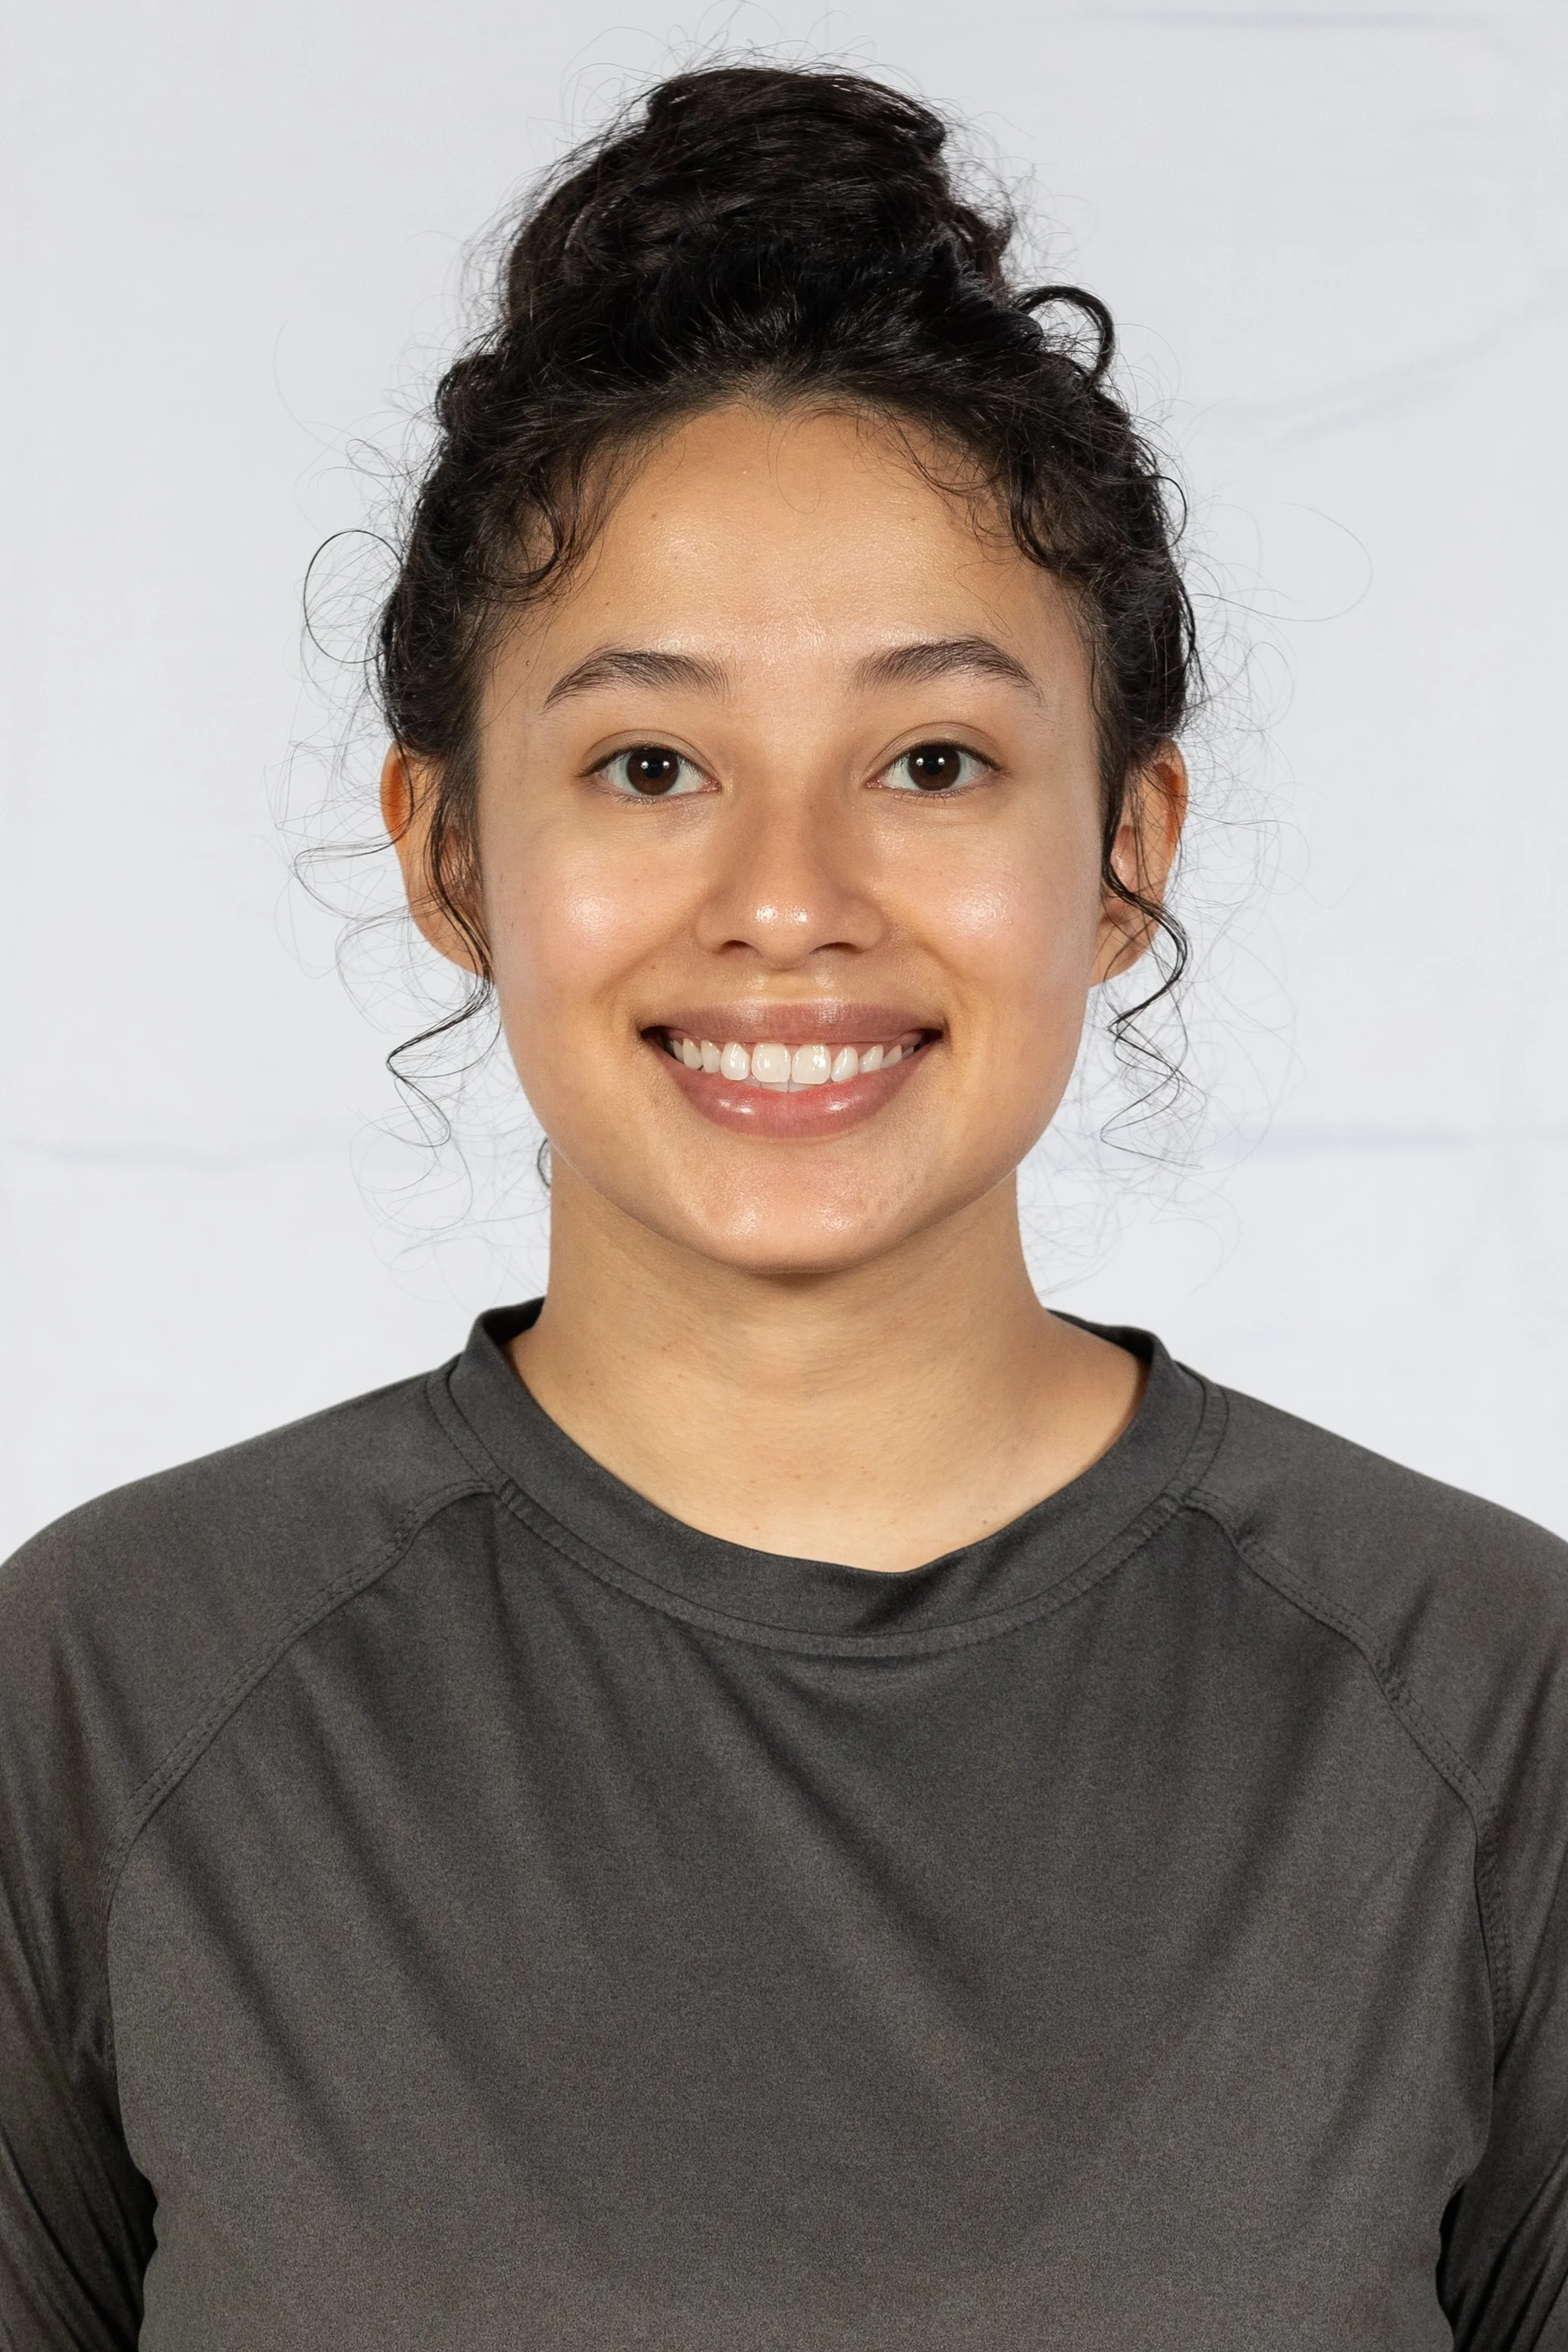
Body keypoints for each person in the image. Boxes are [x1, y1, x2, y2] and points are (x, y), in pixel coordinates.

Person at [2, 63, 1564, 2352]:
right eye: (651, 763)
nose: (789, 900)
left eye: (933, 761)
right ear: (450, 850)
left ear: (1126, 847)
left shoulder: (1496, 1709)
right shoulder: (105, 1695)